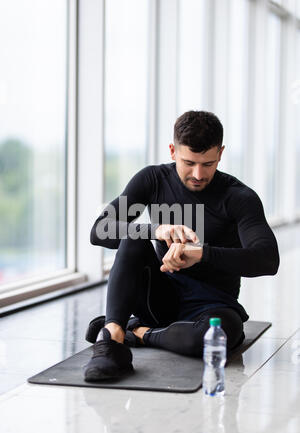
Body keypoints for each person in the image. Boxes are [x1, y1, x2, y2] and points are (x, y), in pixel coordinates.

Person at [84, 110, 280, 382]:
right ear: (172, 150)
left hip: (213, 305)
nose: (198, 174)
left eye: (208, 164)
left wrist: (201, 254)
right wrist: (156, 230)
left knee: (215, 338)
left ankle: (139, 333)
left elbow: (268, 260)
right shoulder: (152, 180)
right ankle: (113, 339)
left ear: (221, 153)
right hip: (161, 297)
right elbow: (99, 230)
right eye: (189, 162)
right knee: (134, 235)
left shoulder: (239, 197)